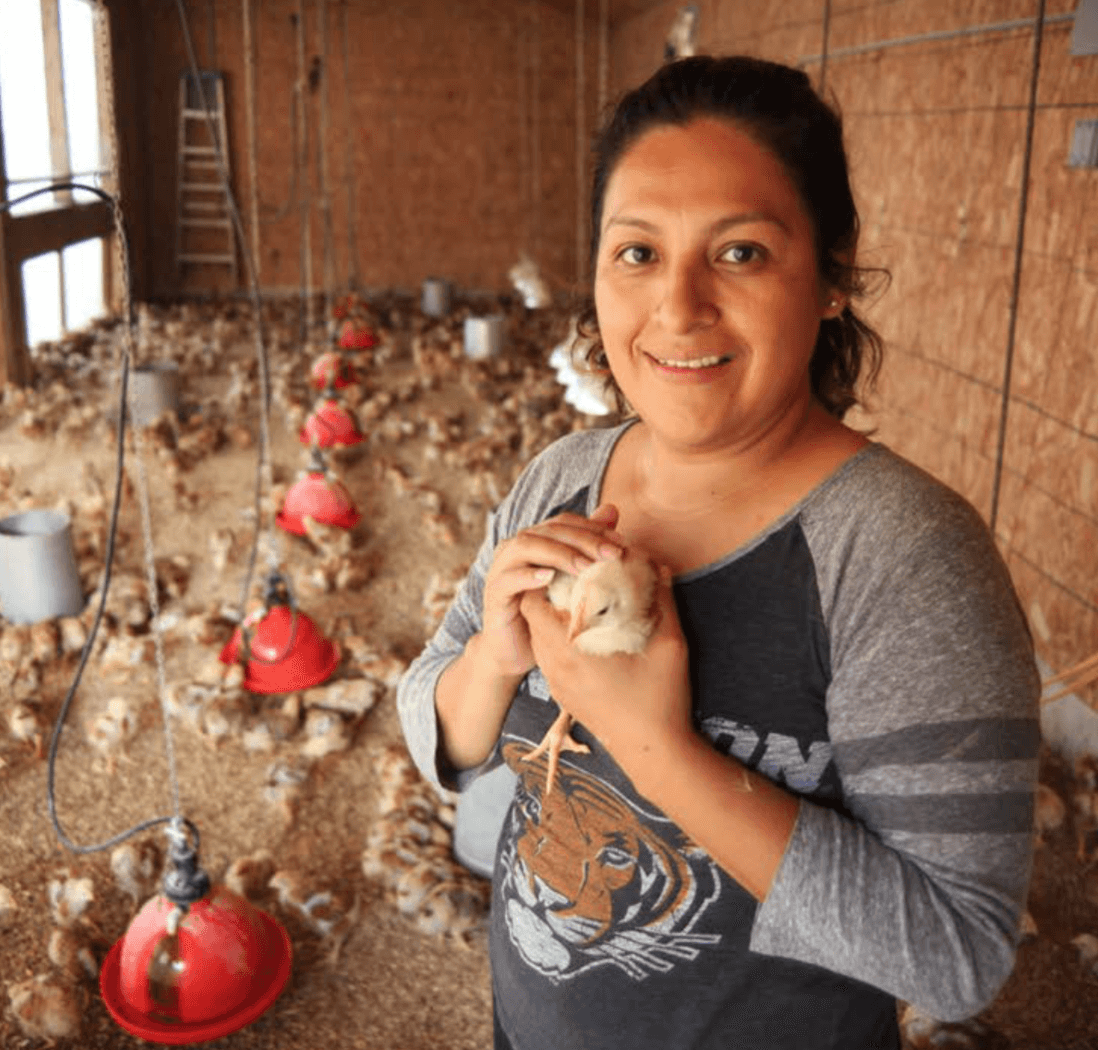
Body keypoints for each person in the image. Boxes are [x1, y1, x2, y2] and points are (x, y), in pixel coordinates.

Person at [398, 55, 1040, 1050]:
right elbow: (439, 723)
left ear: (830, 275)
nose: (679, 307)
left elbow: (957, 955)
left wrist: (657, 751)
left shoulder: (903, 558)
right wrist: (491, 659)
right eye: (638, 253)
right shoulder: (562, 478)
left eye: (739, 253)